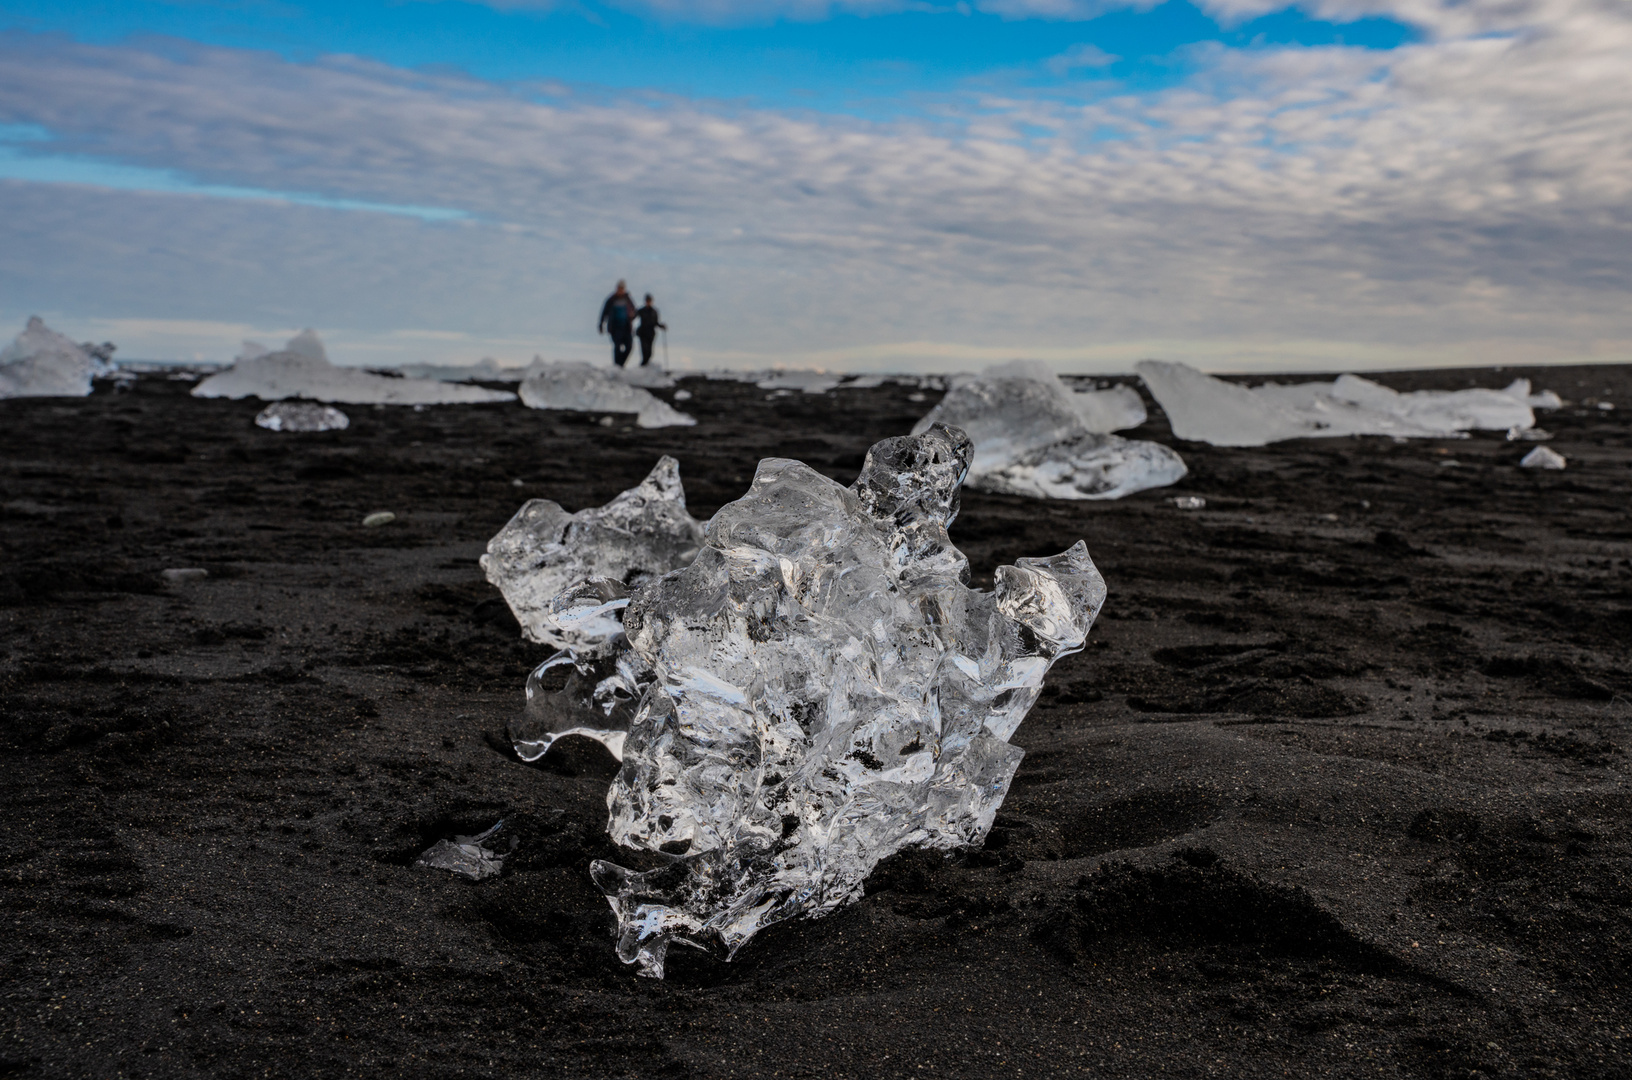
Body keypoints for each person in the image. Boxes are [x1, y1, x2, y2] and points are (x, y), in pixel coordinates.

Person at [598, 280, 638, 368]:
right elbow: (604, 312)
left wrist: (632, 315)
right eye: (619, 288)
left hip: (626, 328)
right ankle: (617, 366)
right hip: (615, 328)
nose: (620, 290)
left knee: (629, 346)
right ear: (616, 288)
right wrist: (601, 325)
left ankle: (621, 365)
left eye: (622, 288)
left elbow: (634, 311)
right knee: (617, 346)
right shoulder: (611, 299)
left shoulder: (628, 299)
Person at [635, 294, 666, 368]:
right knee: (644, 349)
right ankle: (643, 365)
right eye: (647, 301)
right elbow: (633, 316)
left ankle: (645, 365)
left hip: (651, 334)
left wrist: (661, 326)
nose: (648, 302)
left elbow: (656, 322)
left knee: (650, 352)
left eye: (649, 301)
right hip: (643, 333)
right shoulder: (641, 310)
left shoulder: (654, 311)